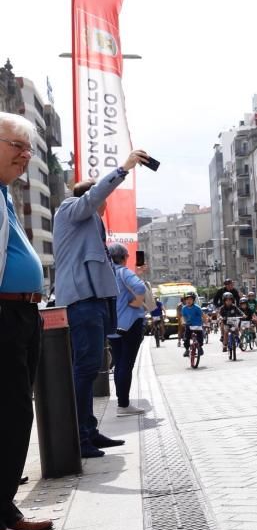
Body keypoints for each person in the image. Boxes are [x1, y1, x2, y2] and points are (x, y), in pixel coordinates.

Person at [54, 147, 152, 458]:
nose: (103, 204)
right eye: (100, 199)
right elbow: (93, 197)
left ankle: (90, 431)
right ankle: (80, 438)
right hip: (83, 300)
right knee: (84, 369)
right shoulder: (70, 209)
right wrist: (124, 168)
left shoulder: (89, 224)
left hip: (96, 301)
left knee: (92, 367)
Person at [0, 112, 54, 530]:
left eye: (28, 147)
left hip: (22, 315)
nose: (26, 155)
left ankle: (5, 508)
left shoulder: (3, 193)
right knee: (9, 413)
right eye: (18, 145)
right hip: (3, 315)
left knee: (17, 413)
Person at [106, 243, 147, 416]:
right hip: (130, 323)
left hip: (112, 325)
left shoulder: (106, 273)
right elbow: (140, 287)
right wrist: (136, 303)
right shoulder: (123, 271)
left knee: (118, 362)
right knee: (126, 364)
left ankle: (121, 402)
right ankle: (123, 405)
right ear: (124, 257)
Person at [179, 291, 205, 357]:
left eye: (190, 299)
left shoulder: (197, 308)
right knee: (186, 338)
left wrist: (206, 322)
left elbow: (203, 316)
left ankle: (200, 348)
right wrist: (183, 322)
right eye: (187, 299)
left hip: (197, 325)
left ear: (193, 300)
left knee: (200, 338)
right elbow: (183, 317)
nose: (188, 301)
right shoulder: (184, 308)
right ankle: (187, 350)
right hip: (189, 325)